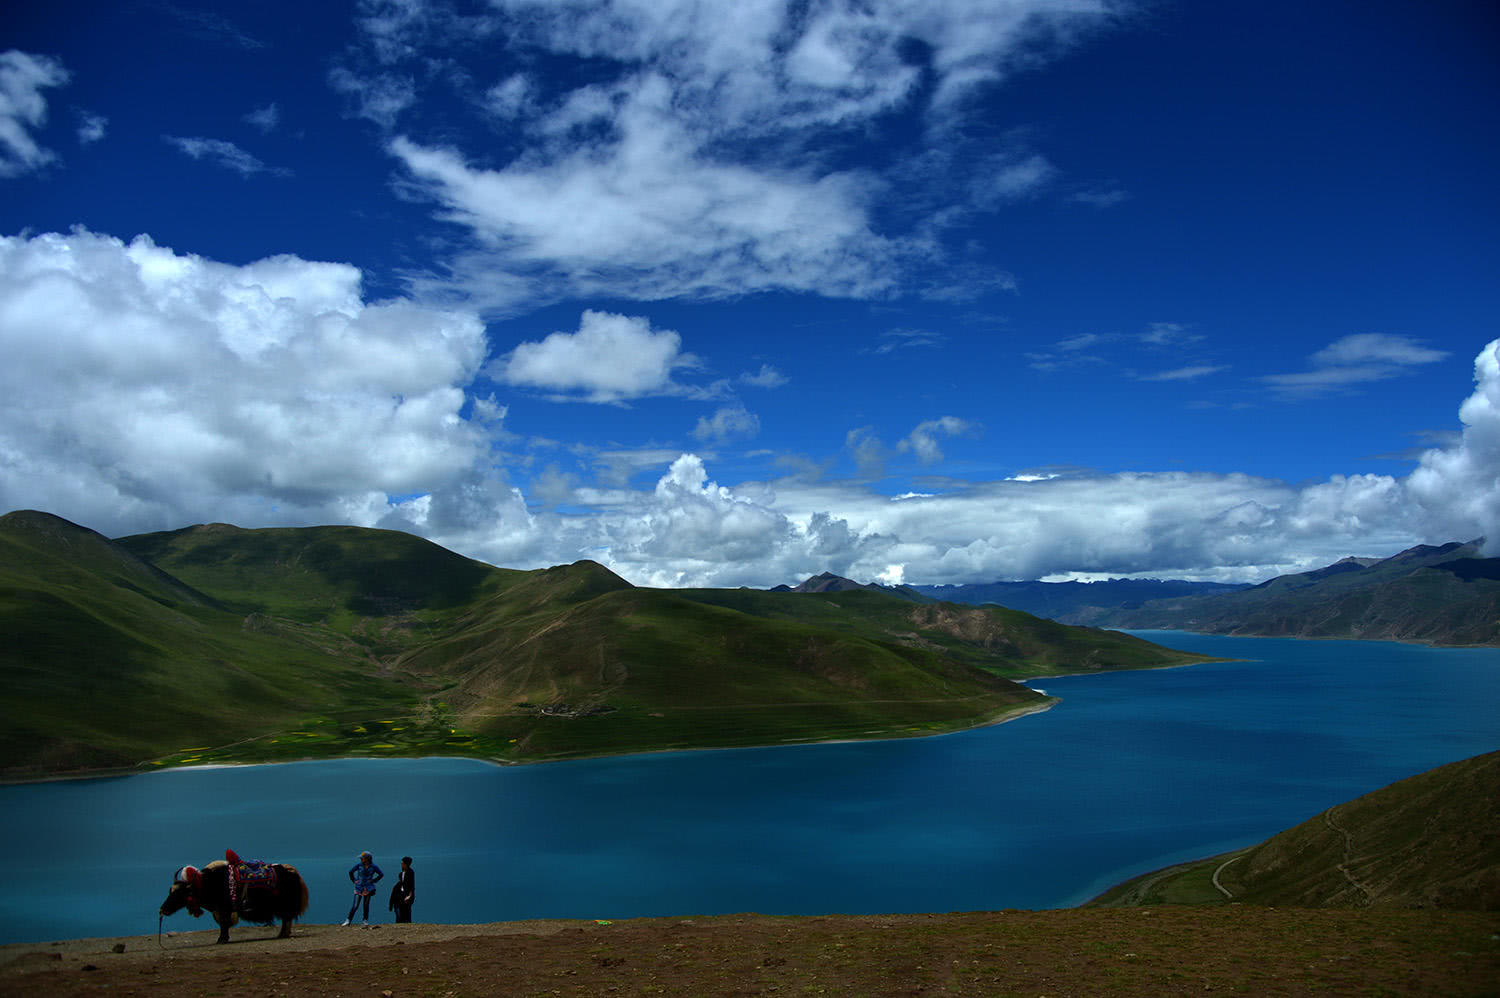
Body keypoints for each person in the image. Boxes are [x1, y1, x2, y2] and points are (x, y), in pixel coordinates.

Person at [341, 851, 383, 926]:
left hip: (368, 888)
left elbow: (381, 874)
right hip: (359, 887)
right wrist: (354, 880)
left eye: (362, 858)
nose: (361, 859)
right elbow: (350, 872)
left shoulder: (373, 867)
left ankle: (365, 920)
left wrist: (374, 880)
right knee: (355, 905)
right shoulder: (359, 865)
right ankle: (348, 920)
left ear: (367, 859)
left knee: (366, 905)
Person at [388, 856, 415, 923]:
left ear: (406, 864)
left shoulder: (410, 872)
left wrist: (409, 896)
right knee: (399, 914)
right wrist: (391, 905)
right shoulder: (401, 874)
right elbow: (394, 892)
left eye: (402, 863)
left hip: (406, 896)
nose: (401, 865)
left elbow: (412, 885)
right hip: (400, 896)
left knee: (406, 914)